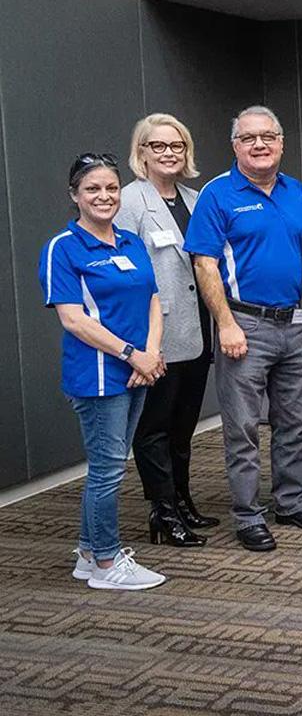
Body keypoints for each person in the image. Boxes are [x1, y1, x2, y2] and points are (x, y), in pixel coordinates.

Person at [184, 105, 302, 552]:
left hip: (293, 322)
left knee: (293, 421)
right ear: (235, 146)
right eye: (249, 138)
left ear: (281, 143)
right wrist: (225, 323)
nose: (260, 145)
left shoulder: (295, 193)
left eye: (268, 136)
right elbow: (204, 263)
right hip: (243, 325)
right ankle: (248, 516)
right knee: (243, 427)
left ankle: (290, 502)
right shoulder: (217, 194)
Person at [40, 152, 167, 589]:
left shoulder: (131, 241)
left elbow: (153, 299)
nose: (104, 196)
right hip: (99, 376)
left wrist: (150, 353)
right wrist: (134, 354)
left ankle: (89, 554)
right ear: (75, 195)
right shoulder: (64, 247)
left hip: (138, 369)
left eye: (111, 188)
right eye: (92, 188)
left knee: (109, 466)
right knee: (107, 469)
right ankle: (109, 565)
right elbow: (74, 319)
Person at [114, 114, 215, 549]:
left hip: (198, 329)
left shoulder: (196, 199)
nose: (168, 153)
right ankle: (163, 511)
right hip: (157, 333)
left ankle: (183, 498)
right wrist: (139, 343)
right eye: (158, 146)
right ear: (141, 153)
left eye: (176, 145)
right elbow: (124, 274)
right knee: (153, 427)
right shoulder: (129, 201)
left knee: (183, 425)